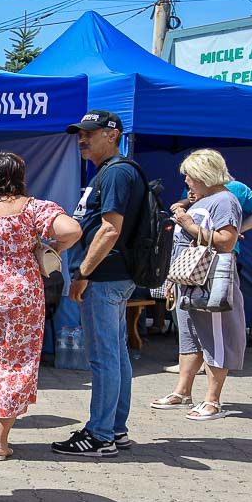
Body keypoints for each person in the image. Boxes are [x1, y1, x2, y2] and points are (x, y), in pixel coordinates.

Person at [0, 153, 81, 460]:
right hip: (23, 292)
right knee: (14, 362)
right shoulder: (33, 208)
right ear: (19, 176)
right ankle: (1, 442)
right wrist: (53, 248)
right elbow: (72, 230)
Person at [53, 110, 144, 458]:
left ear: (113, 134)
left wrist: (83, 273)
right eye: (80, 133)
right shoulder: (108, 173)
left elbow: (110, 229)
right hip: (112, 277)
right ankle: (115, 429)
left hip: (104, 278)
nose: (83, 139)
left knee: (104, 357)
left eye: (90, 133)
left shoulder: (117, 173)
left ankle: (100, 435)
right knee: (116, 354)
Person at [151, 150, 246, 419]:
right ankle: (183, 391)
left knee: (216, 337)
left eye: (190, 176)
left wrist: (189, 224)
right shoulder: (207, 200)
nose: (188, 181)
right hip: (191, 280)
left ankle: (213, 401)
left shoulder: (224, 201)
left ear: (204, 174)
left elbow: (226, 241)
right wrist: (174, 279)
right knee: (190, 336)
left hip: (210, 281)